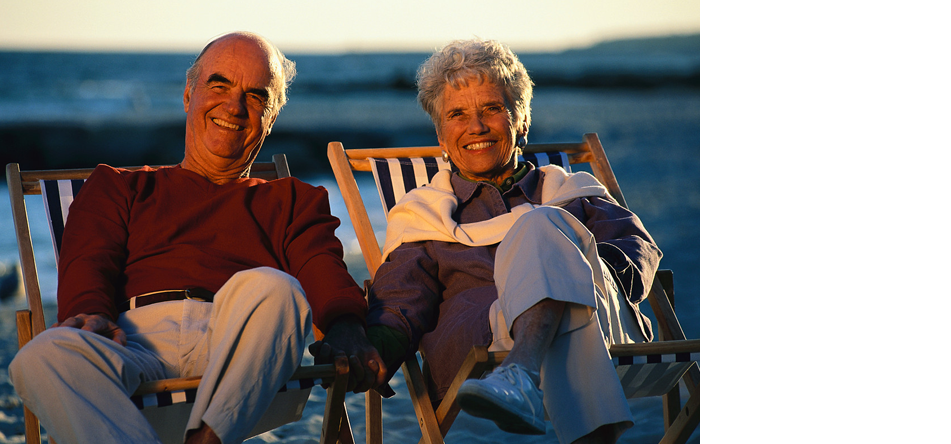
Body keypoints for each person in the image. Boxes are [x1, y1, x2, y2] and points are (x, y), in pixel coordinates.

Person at [8, 31, 385, 444]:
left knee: (277, 289)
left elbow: (322, 269)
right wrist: (89, 312)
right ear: (189, 95)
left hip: (241, 351)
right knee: (39, 357)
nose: (234, 106)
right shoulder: (117, 187)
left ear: (271, 118)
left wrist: (347, 324)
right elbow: (89, 262)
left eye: (256, 97)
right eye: (218, 85)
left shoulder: (292, 199)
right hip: (134, 345)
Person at [364, 38, 662, 444]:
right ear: (440, 133)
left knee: (539, 225)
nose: (476, 127)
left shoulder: (571, 190)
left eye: (492, 108)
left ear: (521, 121)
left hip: (602, 316)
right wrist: (375, 348)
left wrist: (571, 276)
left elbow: (635, 249)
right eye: (457, 114)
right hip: (484, 339)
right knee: (543, 234)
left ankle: (519, 372)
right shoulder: (426, 216)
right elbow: (402, 298)